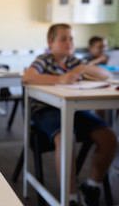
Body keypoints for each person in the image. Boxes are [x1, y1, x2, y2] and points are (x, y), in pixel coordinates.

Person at [22, 23, 117, 206]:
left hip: (74, 110)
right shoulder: (45, 59)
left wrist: (82, 69)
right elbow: (28, 77)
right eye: (63, 38)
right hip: (46, 111)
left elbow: (106, 75)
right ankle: (70, 197)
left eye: (71, 38)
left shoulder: (74, 61)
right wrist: (59, 79)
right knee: (67, 136)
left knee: (109, 137)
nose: (68, 42)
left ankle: (92, 186)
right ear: (50, 42)